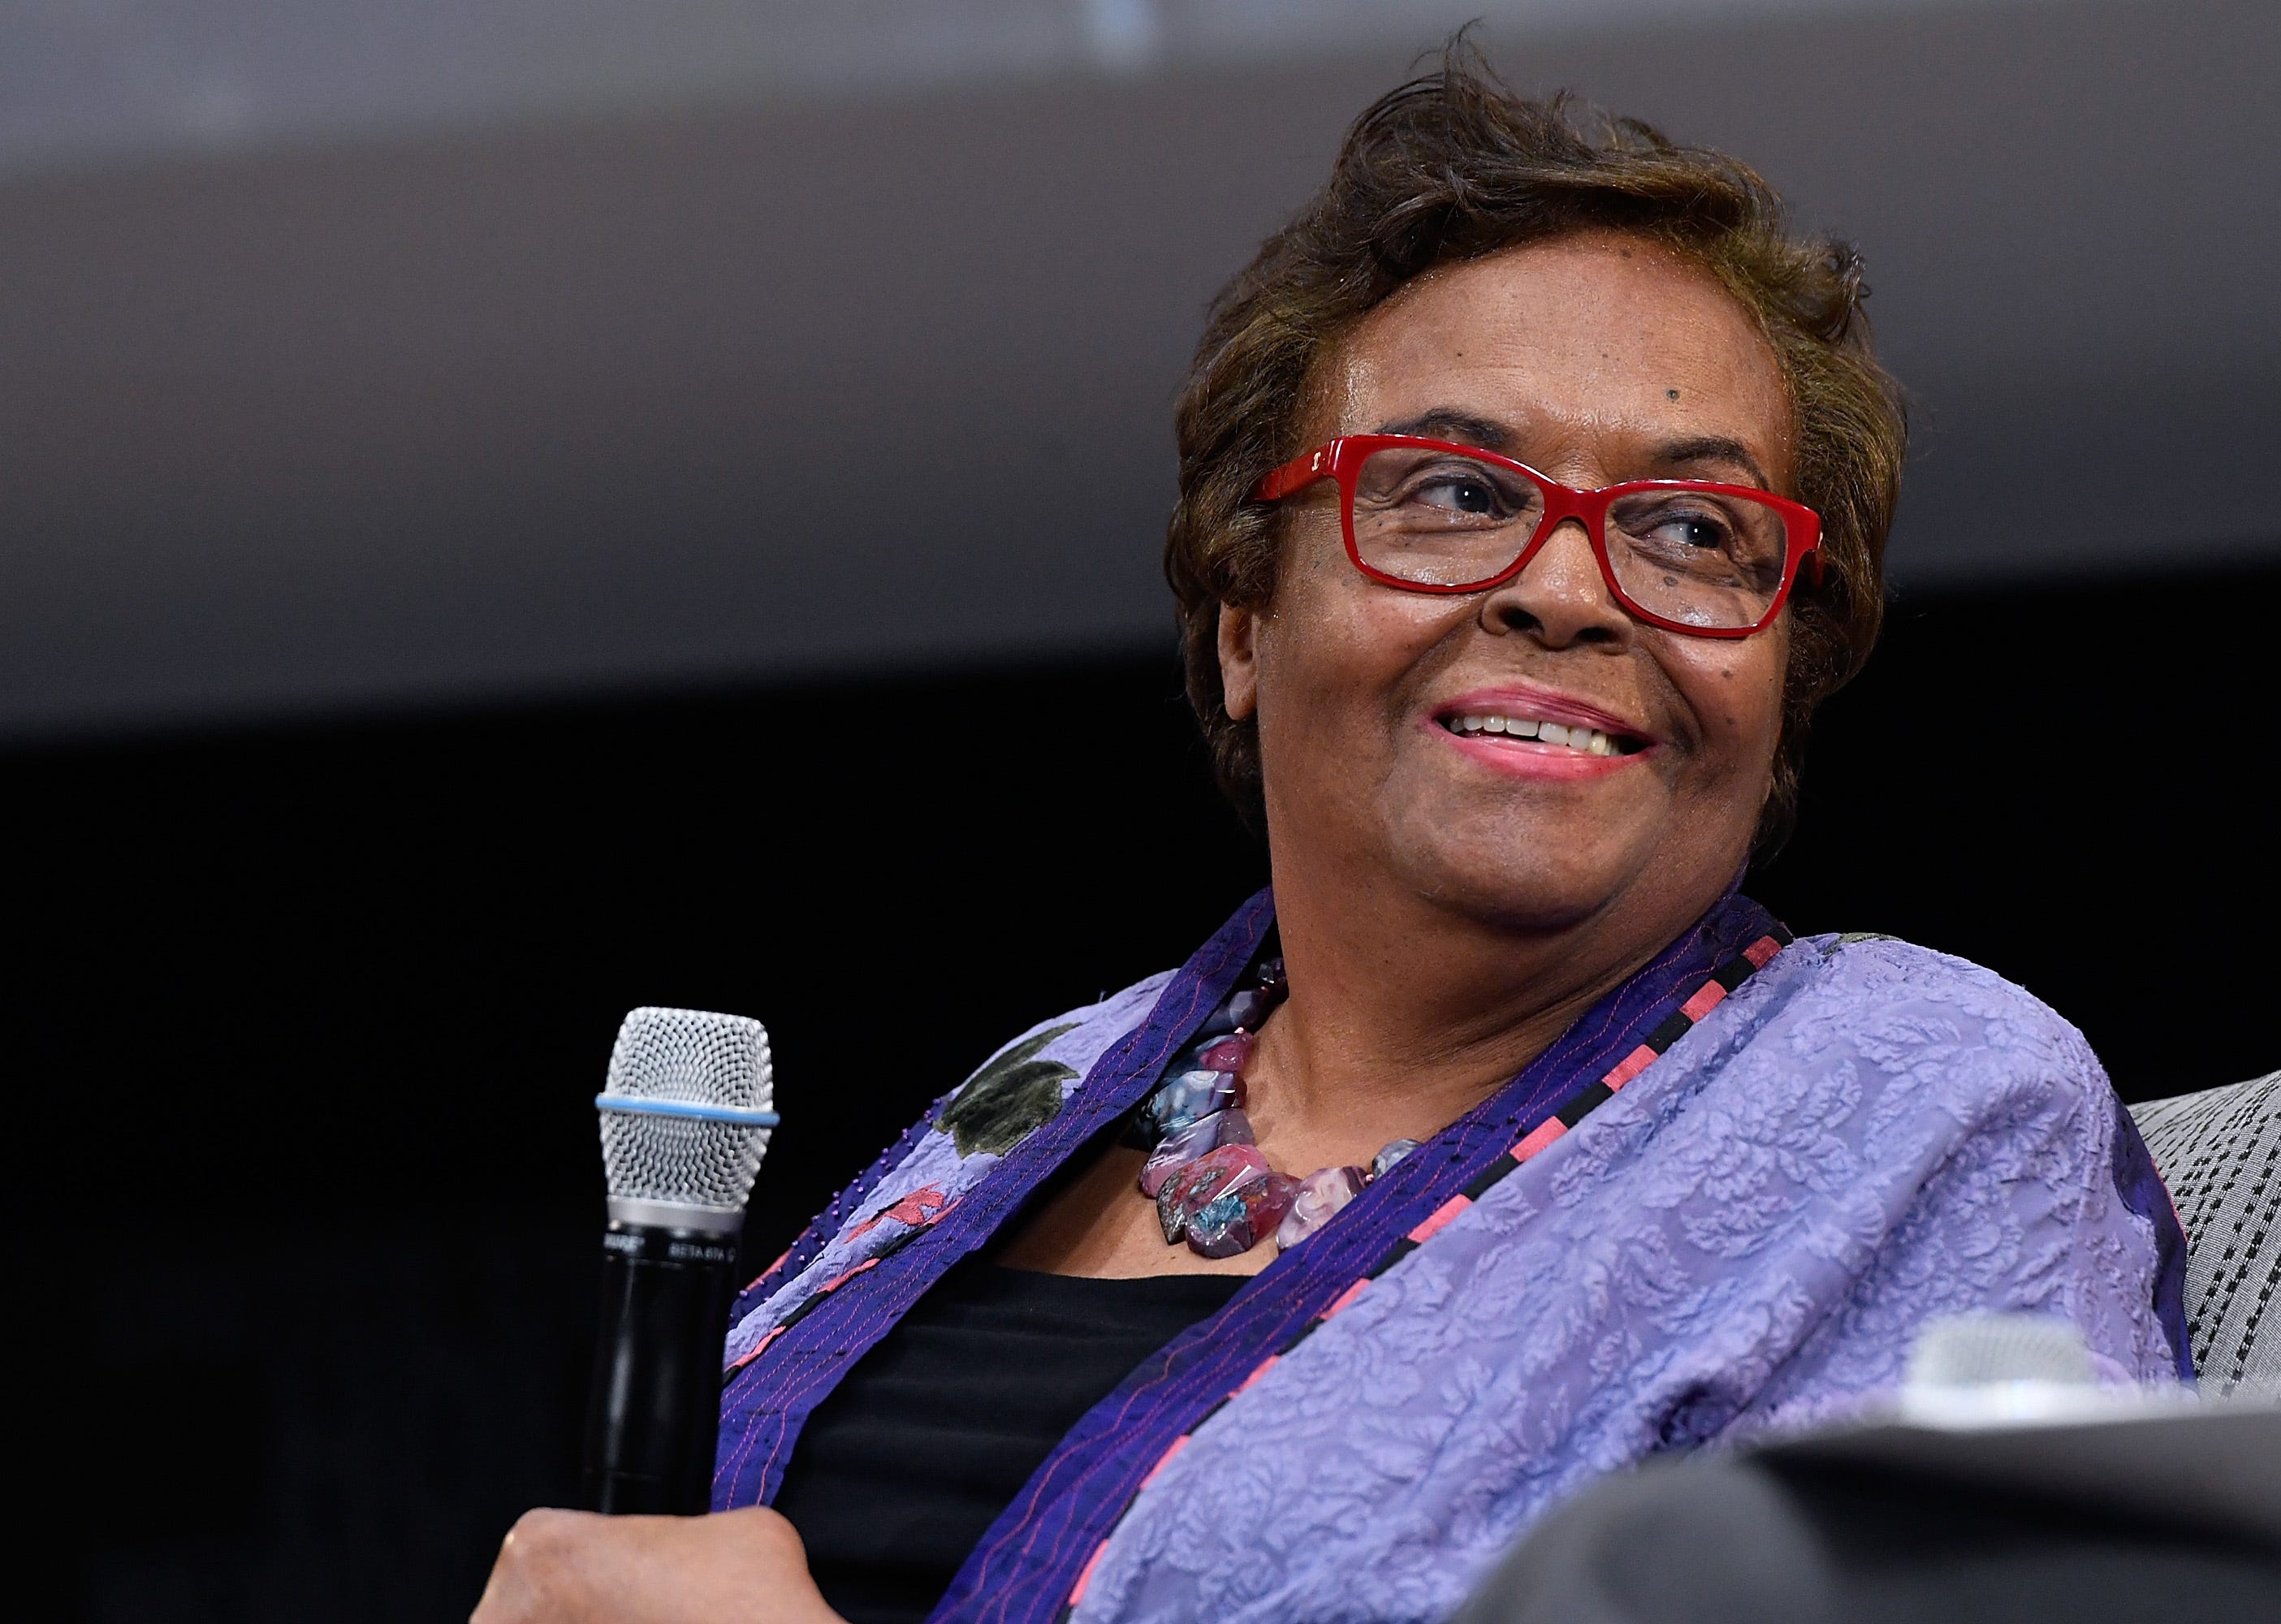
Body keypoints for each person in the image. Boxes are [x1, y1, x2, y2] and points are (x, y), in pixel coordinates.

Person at [474, 47, 2189, 1624]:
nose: (1572, 589)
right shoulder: (1051, 1083)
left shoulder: (1922, 1103)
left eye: (1688, 525)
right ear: (1244, 619)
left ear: (1783, 661)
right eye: (1453, 492)